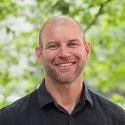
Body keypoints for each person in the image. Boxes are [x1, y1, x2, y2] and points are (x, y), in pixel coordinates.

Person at [0, 15, 125, 125]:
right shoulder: (8, 119)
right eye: (53, 46)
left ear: (87, 51)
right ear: (39, 55)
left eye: (72, 44)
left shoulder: (116, 118)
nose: (64, 54)